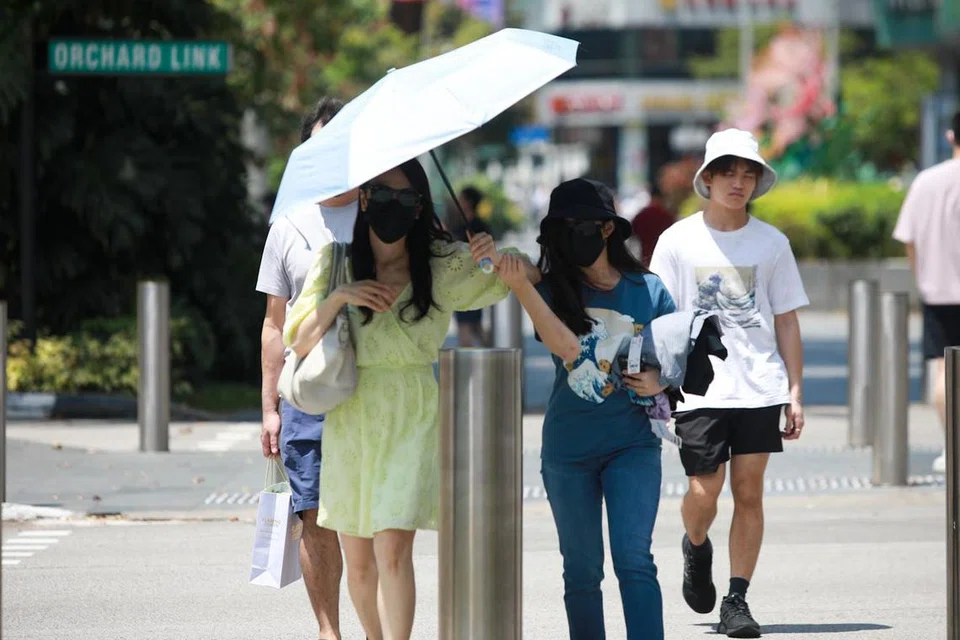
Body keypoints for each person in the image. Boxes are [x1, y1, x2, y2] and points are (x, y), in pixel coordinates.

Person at [283, 158, 538, 640]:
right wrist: (341, 297)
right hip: (352, 412)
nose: (393, 207)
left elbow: (521, 274)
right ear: (363, 199)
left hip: (412, 411)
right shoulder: (334, 261)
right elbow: (297, 341)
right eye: (383, 195)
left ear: (421, 208)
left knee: (393, 547)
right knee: (358, 563)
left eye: (406, 199)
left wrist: (490, 253)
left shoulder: (440, 264)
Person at [498, 178, 676, 640]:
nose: (575, 233)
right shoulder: (552, 289)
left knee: (634, 560)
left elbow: (680, 361)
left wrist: (660, 379)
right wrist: (521, 286)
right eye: (565, 226)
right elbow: (567, 348)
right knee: (580, 570)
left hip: (633, 445)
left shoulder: (649, 290)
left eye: (584, 224)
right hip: (568, 451)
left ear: (606, 230)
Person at [650, 128, 808, 638]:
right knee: (705, 488)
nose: (739, 182)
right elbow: (659, 317)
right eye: (729, 173)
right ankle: (696, 544)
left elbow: (786, 319)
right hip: (699, 387)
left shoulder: (772, 243)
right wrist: (656, 385)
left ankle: (736, 601)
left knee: (749, 491)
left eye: (749, 174)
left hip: (760, 384)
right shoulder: (677, 240)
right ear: (708, 178)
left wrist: (795, 391)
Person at [255, 96, 357, 640]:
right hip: (304, 396)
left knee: (370, 521)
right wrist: (269, 408)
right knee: (313, 516)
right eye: (321, 141)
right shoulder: (287, 224)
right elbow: (274, 325)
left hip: (372, 392)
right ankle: (328, 631)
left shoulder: (385, 215)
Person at [893, 109, 960, 475]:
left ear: (951, 136)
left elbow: (909, 239)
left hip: (939, 291)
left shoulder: (927, 181)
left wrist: (923, 276)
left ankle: (953, 445)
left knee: (943, 371)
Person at [450, 186, 493, 347]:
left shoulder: (469, 227)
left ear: (468, 202)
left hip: (465, 283)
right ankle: (490, 360)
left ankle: (468, 369)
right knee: (476, 326)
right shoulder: (475, 225)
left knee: (465, 330)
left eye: (461, 198)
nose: (457, 202)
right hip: (476, 283)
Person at [631, 184, 676, 267]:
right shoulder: (667, 216)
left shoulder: (642, 215)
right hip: (664, 260)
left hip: (645, 260)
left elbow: (632, 234)